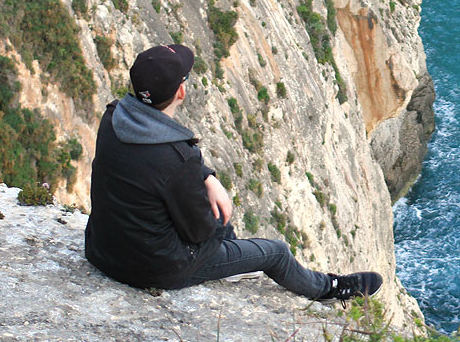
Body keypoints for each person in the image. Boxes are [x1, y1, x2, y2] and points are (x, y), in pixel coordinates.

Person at [84, 43, 381, 301]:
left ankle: (232, 259)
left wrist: (206, 177)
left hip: (102, 250)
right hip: (153, 269)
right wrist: (217, 215)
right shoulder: (177, 159)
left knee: (215, 218)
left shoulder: (114, 118)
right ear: (181, 92)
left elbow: (156, 166)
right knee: (273, 250)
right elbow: (199, 231)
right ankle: (328, 288)